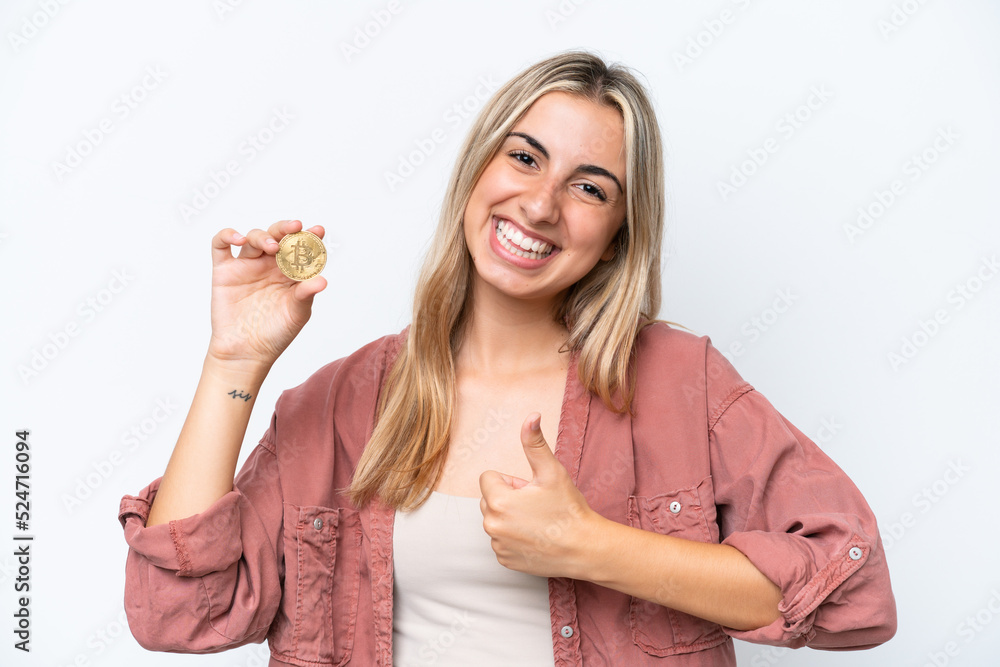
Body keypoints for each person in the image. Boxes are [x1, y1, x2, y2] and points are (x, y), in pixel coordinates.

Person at [118, 50, 897, 666]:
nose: (540, 204)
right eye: (525, 158)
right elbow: (178, 613)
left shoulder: (680, 383)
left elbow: (855, 592)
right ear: (480, 169)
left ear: (618, 235)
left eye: (589, 188)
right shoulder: (342, 401)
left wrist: (591, 546)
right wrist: (233, 361)